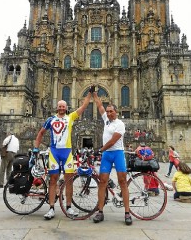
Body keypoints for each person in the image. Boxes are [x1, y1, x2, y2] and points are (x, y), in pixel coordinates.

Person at [33, 90, 92, 220]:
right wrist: (35, 149)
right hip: (54, 152)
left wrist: (89, 94)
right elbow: (41, 133)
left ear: (66, 108)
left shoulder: (70, 117)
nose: (61, 108)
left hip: (67, 153)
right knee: (53, 180)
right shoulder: (51, 119)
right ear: (57, 108)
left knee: (69, 180)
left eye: (63, 106)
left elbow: (83, 107)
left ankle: (69, 207)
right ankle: (51, 208)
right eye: (59, 106)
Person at [92, 90, 132, 225]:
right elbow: (99, 106)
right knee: (102, 182)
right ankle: (100, 211)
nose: (108, 113)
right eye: (108, 111)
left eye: (111, 111)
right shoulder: (106, 121)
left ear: (116, 112)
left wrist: (100, 150)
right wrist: (94, 94)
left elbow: (112, 141)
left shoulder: (120, 124)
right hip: (107, 156)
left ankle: (127, 213)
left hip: (117, 153)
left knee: (122, 182)